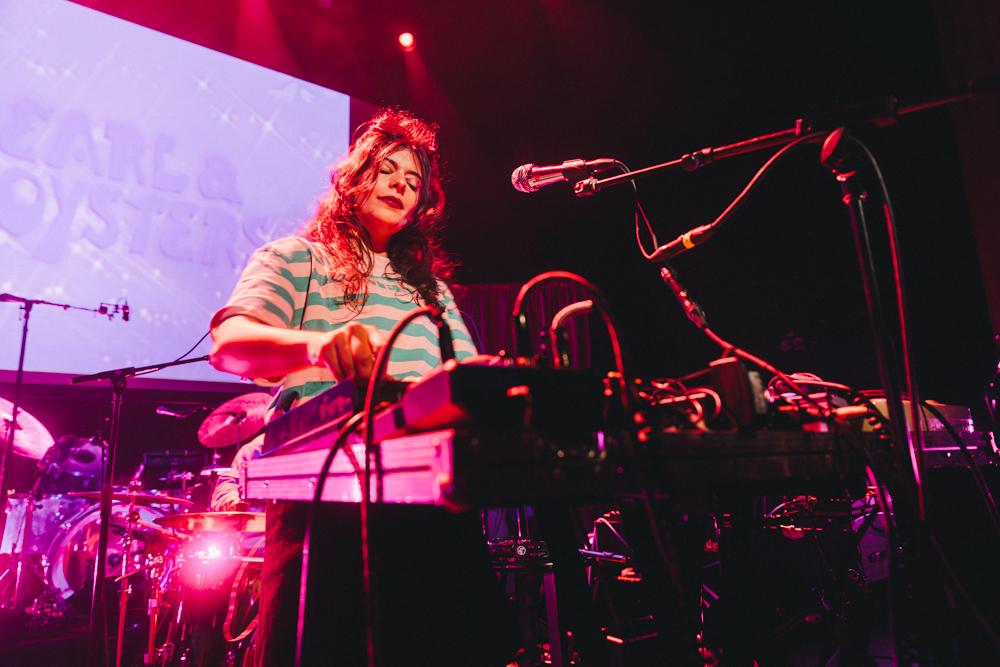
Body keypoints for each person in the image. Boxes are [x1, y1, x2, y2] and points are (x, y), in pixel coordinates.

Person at [209, 109, 520, 666]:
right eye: (388, 170)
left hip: (430, 495)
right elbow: (230, 344)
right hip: (324, 496)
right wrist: (316, 346)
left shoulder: (434, 293)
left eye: (414, 181)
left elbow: (467, 381)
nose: (401, 184)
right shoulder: (296, 258)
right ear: (354, 177)